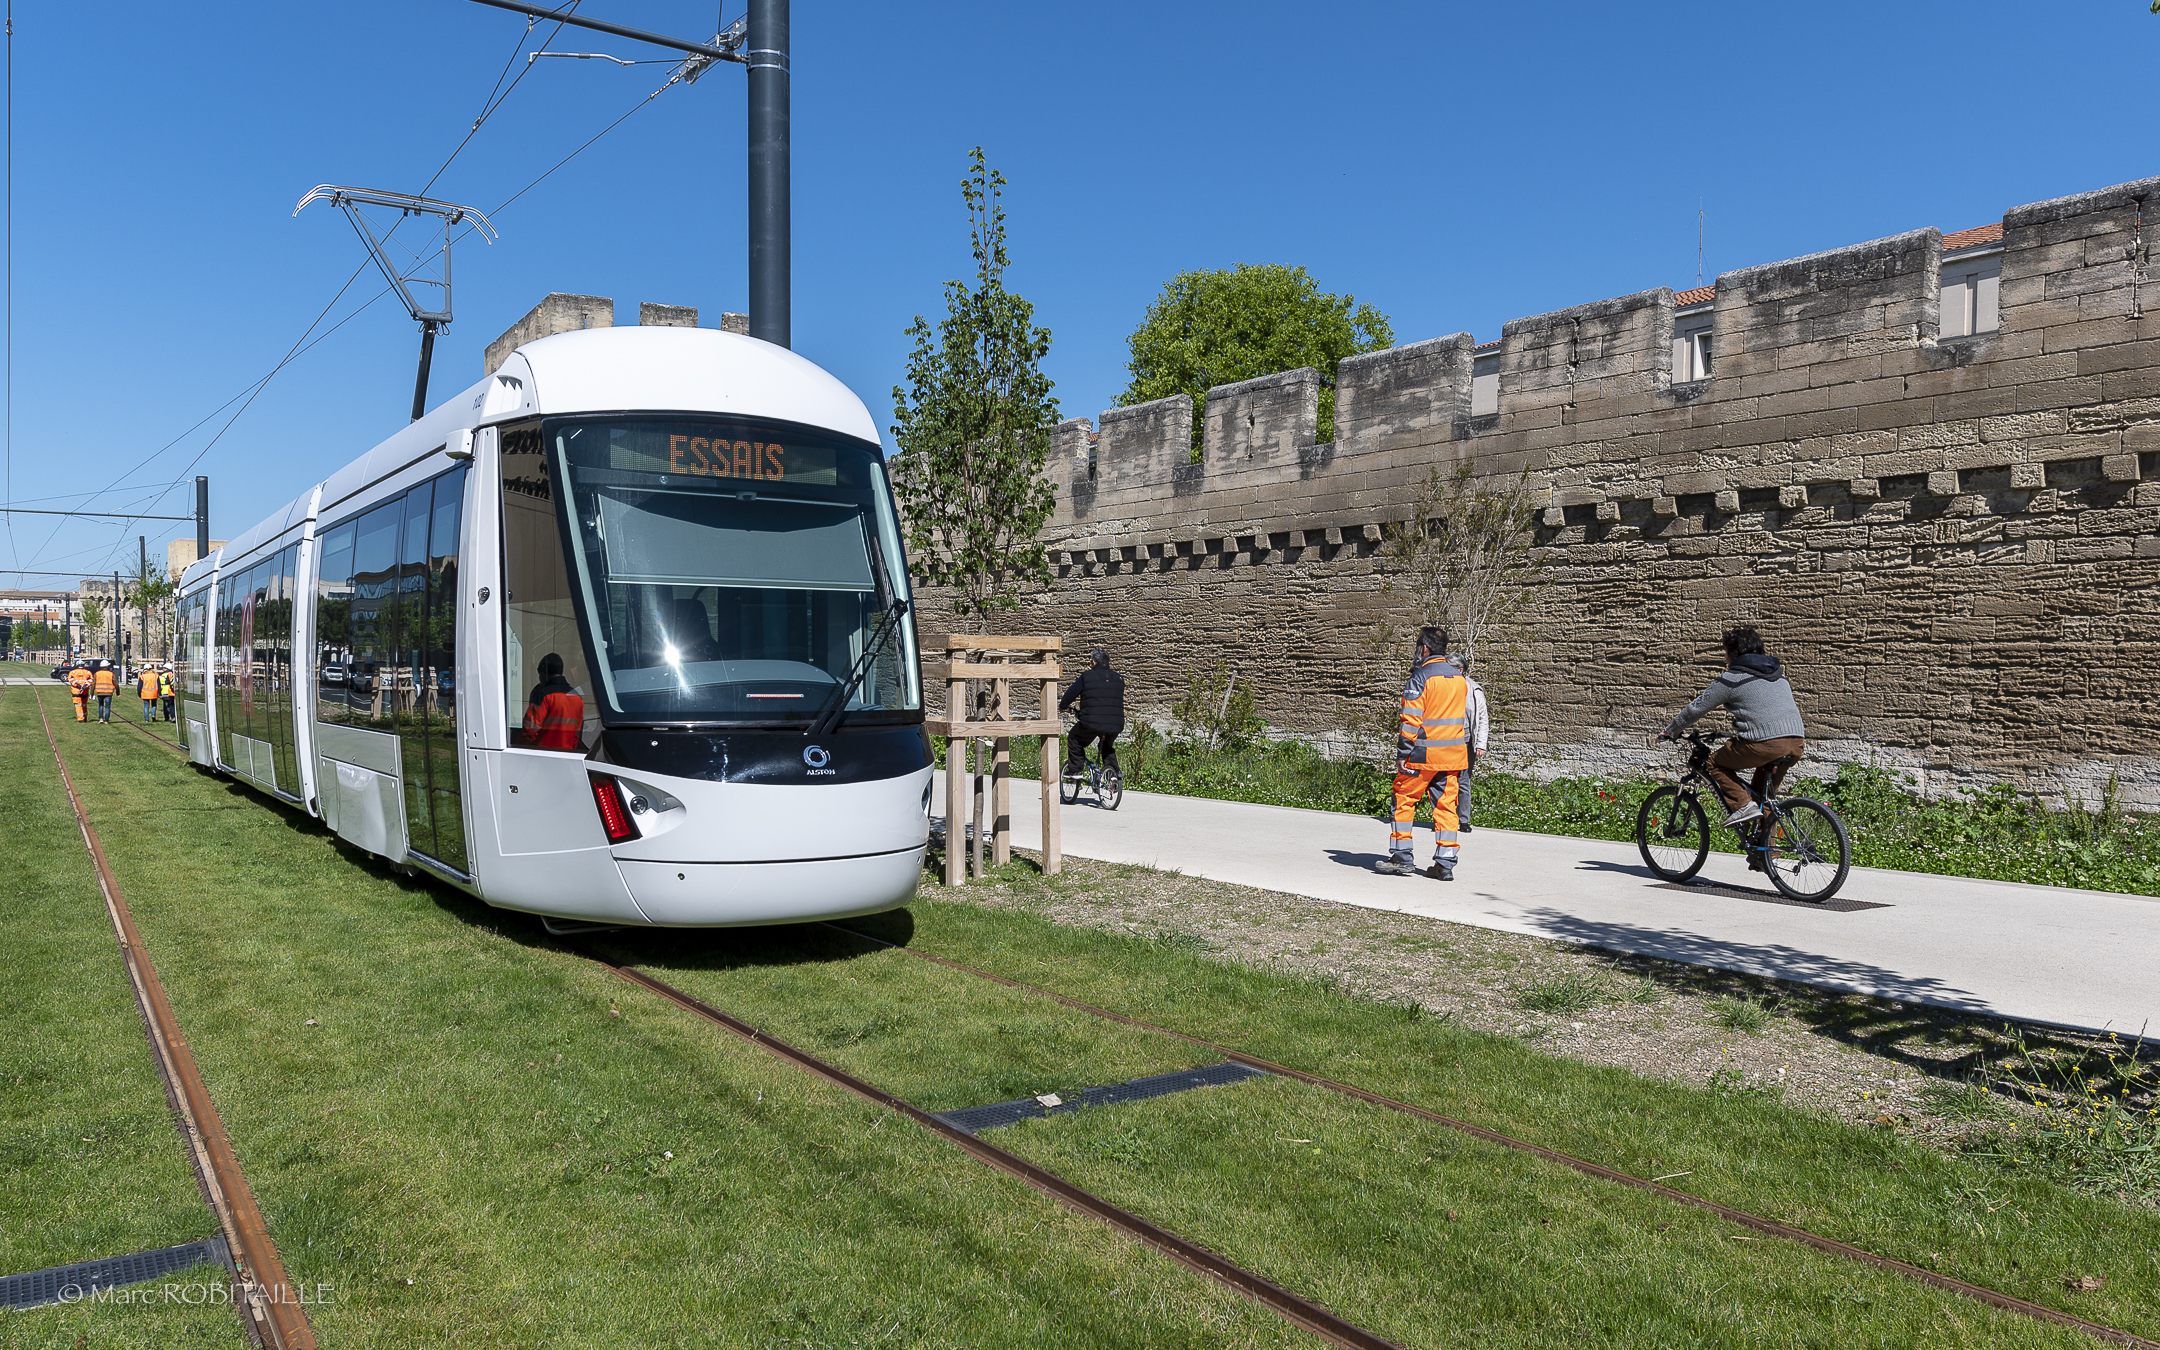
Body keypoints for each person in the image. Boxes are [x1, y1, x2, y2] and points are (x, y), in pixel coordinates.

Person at [1661, 624, 1807, 842]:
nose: (1725, 659)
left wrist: (1670, 731)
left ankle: (1743, 806)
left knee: (1713, 764)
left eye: (1726, 653)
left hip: (1764, 744)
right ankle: (1767, 854)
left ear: (1736, 654)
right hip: (1796, 743)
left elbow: (1696, 709)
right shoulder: (1778, 676)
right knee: (1765, 797)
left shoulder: (1732, 678)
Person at [1378, 627, 1471, 880]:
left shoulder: (1421, 678)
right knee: (1446, 807)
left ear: (1424, 648)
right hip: (1453, 756)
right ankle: (1445, 864)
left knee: (1403, 800)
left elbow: (1410, 722)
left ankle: (1401, 857)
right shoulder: (1460, 679)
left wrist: (1401, 754)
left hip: (1422, 755)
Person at [1059, 647, 1125, 780]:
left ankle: (1075, 770)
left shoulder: (1087, 677)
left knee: (1074, 738)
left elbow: (1070, 694)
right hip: (1116, 724)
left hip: (1091, 722)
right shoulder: (1118, 678)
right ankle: (1112, 774)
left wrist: (1063, 706)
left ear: (1093, 662)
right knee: (1107, 746)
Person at [1455, 653, 1490, 833]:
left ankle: (1463, 820)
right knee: (1443, 781)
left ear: (1460, 670)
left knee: (1463, 780)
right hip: (1445, 739)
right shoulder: (1441, 685)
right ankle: (1444, 819)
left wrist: (1480, 744)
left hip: (1466, 739)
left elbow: (1482, 718)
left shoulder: (1474, 689)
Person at [522, 652, 585, 751]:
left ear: (543, 673)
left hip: (541, 756)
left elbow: (529, 731)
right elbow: (576, 735)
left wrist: (520, 749)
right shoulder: (577, 697)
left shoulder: (543, 695)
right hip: (566, 756)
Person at [92, 659, 118, 724]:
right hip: (108, 693)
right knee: (107, 706)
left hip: (99, 692)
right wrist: (118, 692)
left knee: (100, 705)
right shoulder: (111, 674)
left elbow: (93, 684)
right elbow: (116, 683)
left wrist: (91, 693)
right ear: (107, 666)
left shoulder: (97, 674)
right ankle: (106, 720)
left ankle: (101, 718)